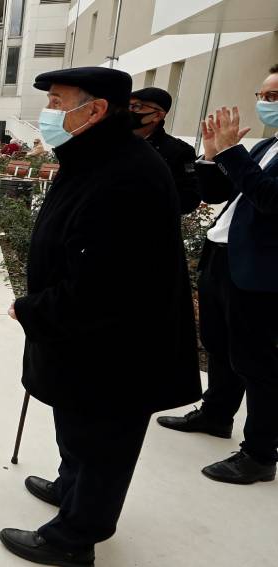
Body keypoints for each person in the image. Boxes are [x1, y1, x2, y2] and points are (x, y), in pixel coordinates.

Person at [0, 67, 200, 566]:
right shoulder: (93, 156)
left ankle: (74, 536)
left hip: (118, 345)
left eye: (57, 102)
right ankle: (71, 487)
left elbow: (105, 283)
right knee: (76, 419)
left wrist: (31, 309)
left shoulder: (126, 174)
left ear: (95, 110)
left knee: (104, 439)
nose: (48, 113)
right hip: (84, 338)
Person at [157, 64, 278, 485]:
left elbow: (268, 199)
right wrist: (211, 157)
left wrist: (230, 154)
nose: (263, 103)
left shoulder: (253, 153)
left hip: (261, 274)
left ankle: (260, 454)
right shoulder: (266, 148)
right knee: (218, 345)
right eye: (263, 95)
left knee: (257, 363)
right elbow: (217, 194)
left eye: (274, 97)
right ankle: (215, 414)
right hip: (222, 259)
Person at [130, 87, 201, 214]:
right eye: (126, 106)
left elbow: (189, 198)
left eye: (137, 107)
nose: (128, 111)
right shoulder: (109, 143)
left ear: (157, 115)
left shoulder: (179, 151)